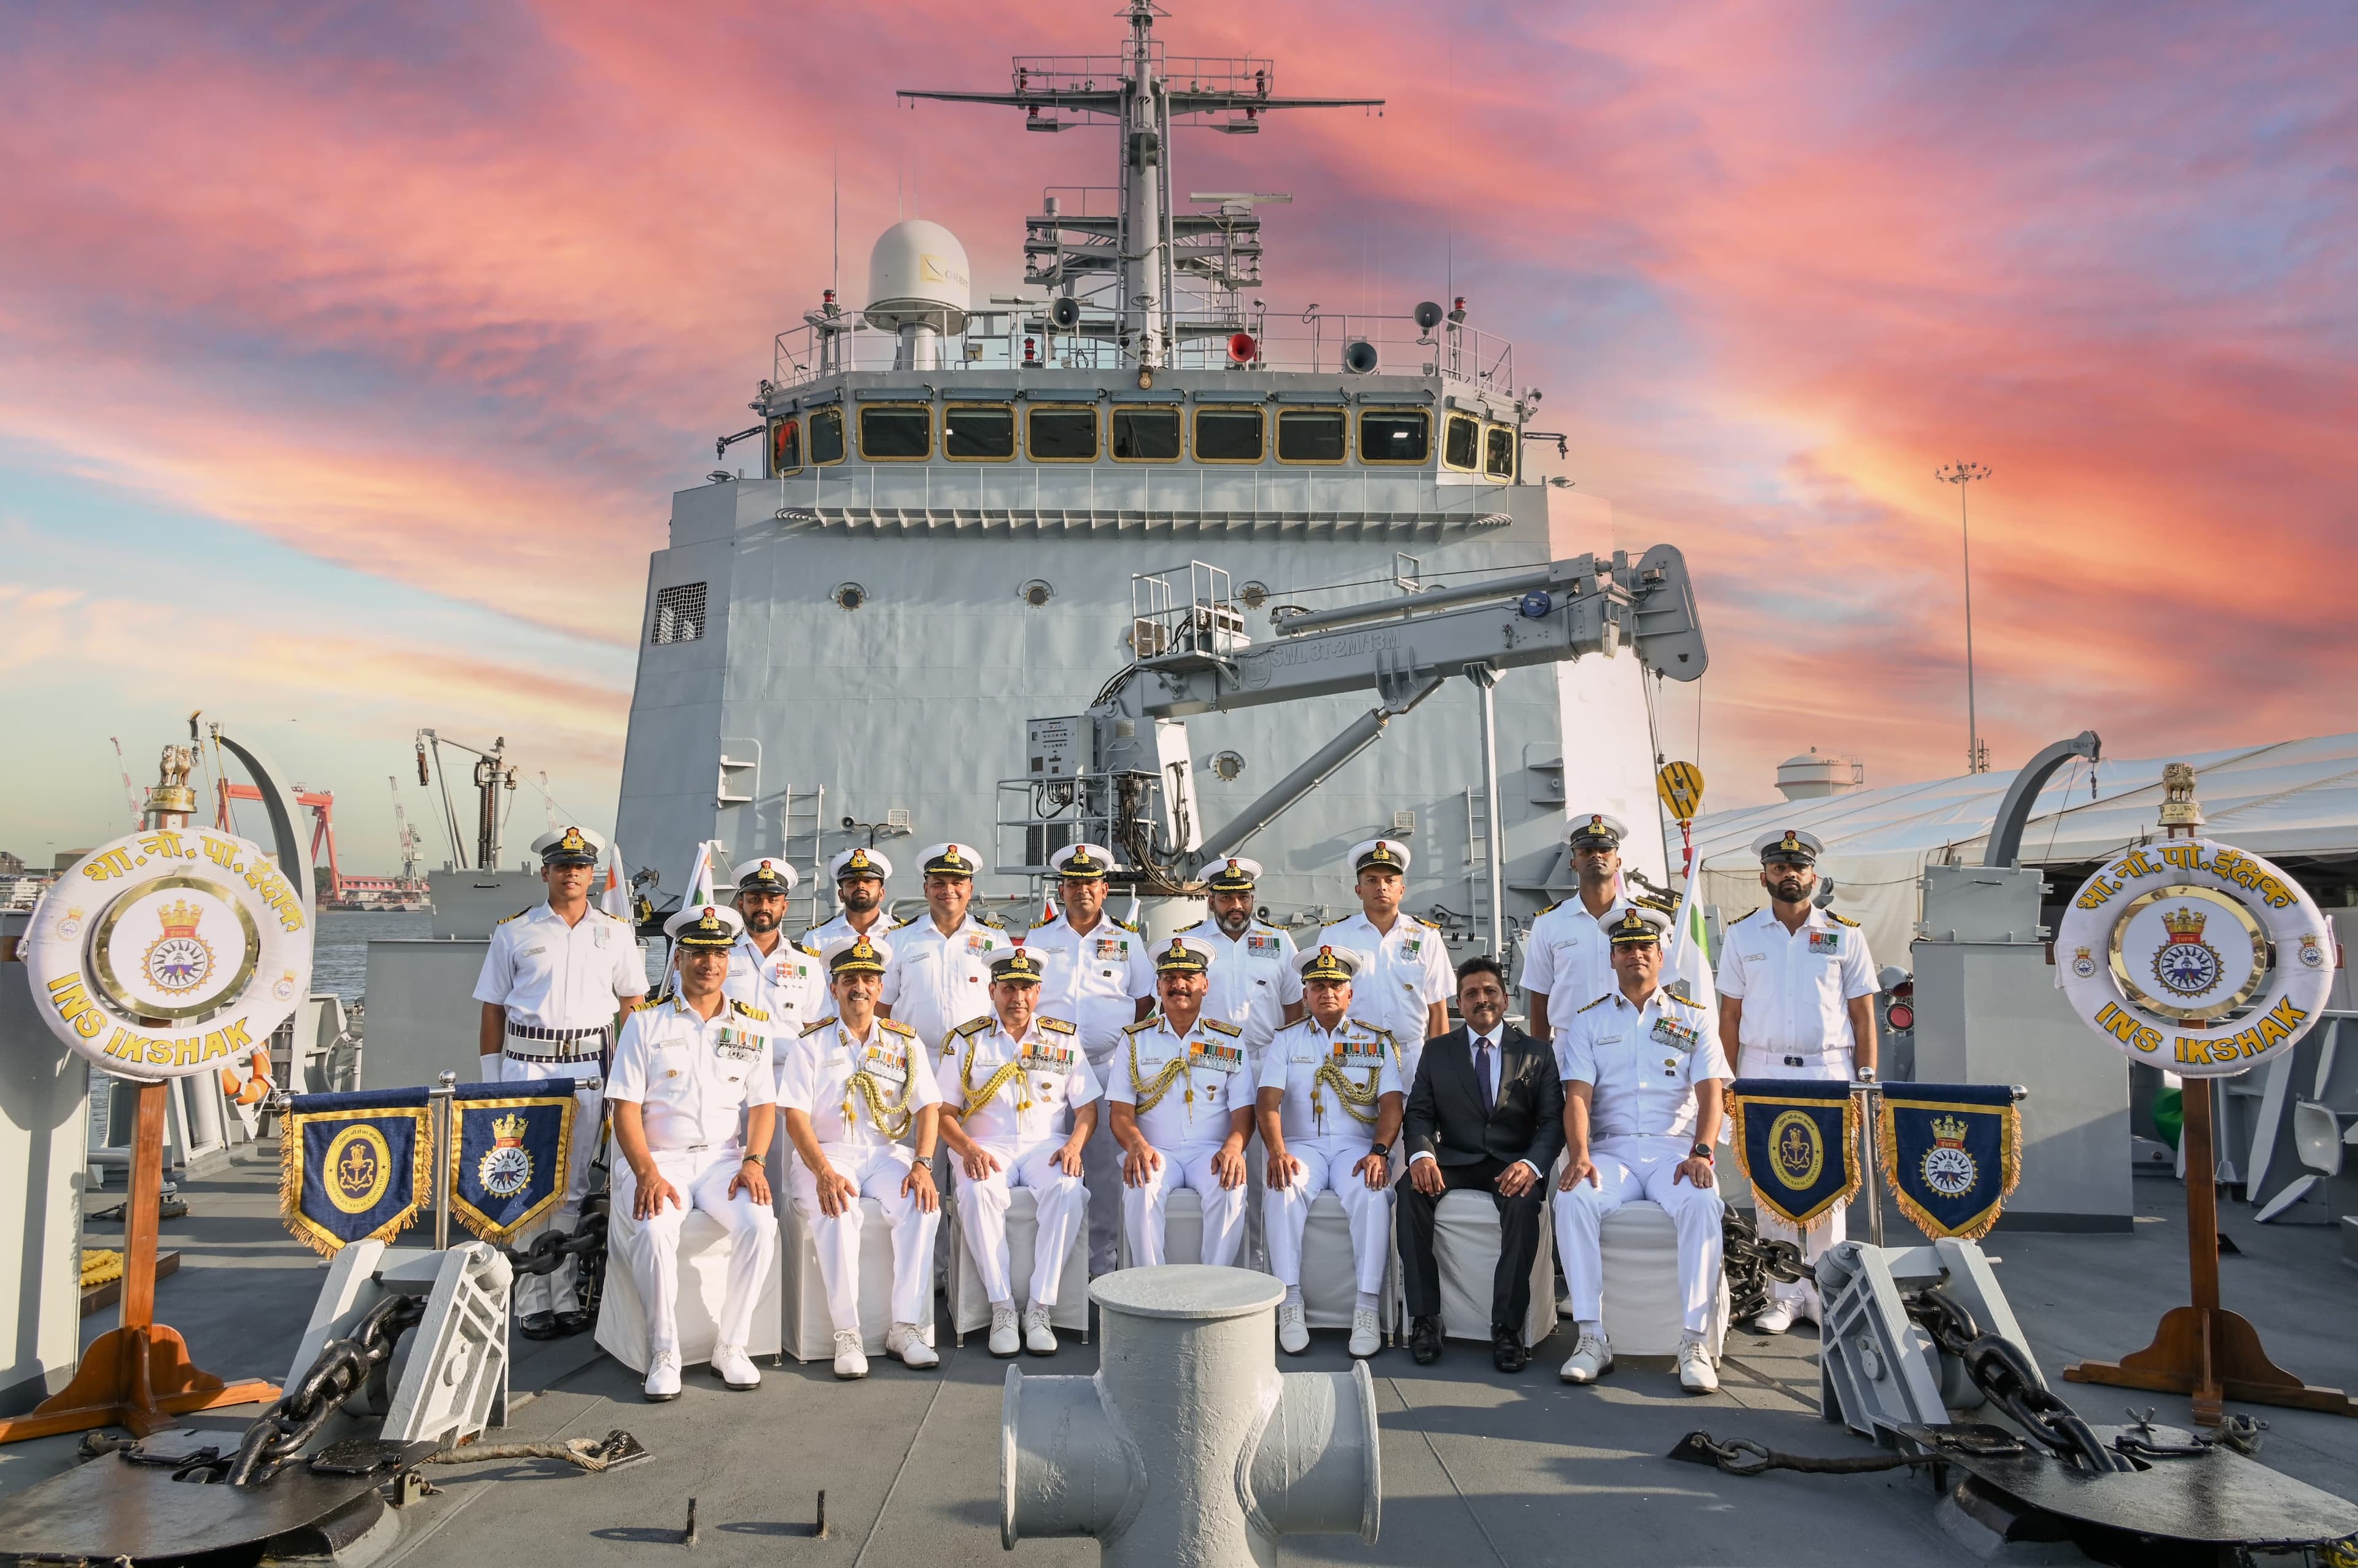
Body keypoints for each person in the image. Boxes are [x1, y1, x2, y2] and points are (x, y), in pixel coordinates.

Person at [472, 825, 647, 1339]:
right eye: (563, 866)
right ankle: (531, 1300)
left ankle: (564, 1294)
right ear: (545, 872)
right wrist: (491, 1082)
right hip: (526, 1069)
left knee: (571, 1188)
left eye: (581, 866)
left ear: (592, 875)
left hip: (589, 1068)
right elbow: (493, 1008)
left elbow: (632, 1006)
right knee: (526, 1183)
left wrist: (632, 1074)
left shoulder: (615, 932)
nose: (572, 873)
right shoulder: (514, 932)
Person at [605, 905, 780, 1402]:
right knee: (654, 1228)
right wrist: (646, 1173)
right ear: (679, 959)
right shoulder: (645, 1023)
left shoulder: (753, 1026)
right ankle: (665, 1351)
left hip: (724, 1161)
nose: (710, 963)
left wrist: (754, 1161)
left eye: (719, 954)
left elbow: (763, 1106)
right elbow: (624, 1108)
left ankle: (733, 1345)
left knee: (760, 1223)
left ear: (729, 960)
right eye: (699, 953)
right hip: (661, 1159)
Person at [1553, 907, 1731, 1394]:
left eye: (1645, 947)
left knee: (1702, 1202)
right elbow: (1577, 1096)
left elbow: (1712, 1093)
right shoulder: (1589, 1021)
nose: (1636, 955)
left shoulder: (1692, 1018)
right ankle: (1591, 1337)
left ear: (1660, 956)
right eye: (1626, 948)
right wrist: (1580, 1154)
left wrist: (1702, 1152)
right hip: (1611, 1152)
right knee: (1572, 1199)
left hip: (1675, 1151)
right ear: (1612, 958)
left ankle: (1693, 1341)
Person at [1715, 828, 1878, 1332]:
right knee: (1769, 1183)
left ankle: (1828, 1293)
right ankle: (1782, 1294)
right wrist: (1725, 1082)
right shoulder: (1742, 936)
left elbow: (1863, 1016)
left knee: (1831, 1183)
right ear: (1763, 876)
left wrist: (1866, 1079)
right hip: (1762, 1069)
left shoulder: (1845, 935)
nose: (1790, 874)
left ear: (1814, 875)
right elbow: (1729, 1016)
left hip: (1829, 1070)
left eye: (1798, 867)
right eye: (1779, 867)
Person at [778, 936, 943, 1378]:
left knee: (922, 1206)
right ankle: (847, 1333)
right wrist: (823, 1172)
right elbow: (796, 1119)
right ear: (834, 987)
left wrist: (923, 1165)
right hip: (826, 1155)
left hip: (885, 1153)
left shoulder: (904, 1042)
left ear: (880, 988)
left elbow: (928, 1107)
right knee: (837, 1210)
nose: (860, 988)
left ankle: (905, 1328)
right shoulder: (810, 1045)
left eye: (869, 979)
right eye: (850, 979)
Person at [1397, 955, 1565, 1372]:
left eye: (1490, 991)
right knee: (1409, 1192)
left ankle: (1507, 1327)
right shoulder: (1437, 1051)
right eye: (1471, 993)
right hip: (1455, 1159)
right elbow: (1419, 1113)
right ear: (1460, 1003)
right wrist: (1422, 1155)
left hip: (1512, 1162)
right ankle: (1425, 1319)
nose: (1482, 999)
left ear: (1505, 999)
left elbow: (1553, 1123)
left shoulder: (1538, 1052)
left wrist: (1532, 1165)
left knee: (1524, 1204)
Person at [936, 944, 1097, 1357]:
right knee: (977, 1192)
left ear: (1038, 991)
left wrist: (1075, 1145)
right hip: (985, 1145)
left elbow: (1086, 1109)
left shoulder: (1063, 1039)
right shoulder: (967, 1040)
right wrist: (968, 1150)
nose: (1018, 998)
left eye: (1026, 988)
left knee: (1068, 1190)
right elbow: (944, 1114)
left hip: (1047, 1145)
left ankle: (1040, 1307)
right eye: (1009, 988)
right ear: (993, 990)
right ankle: (1002, 1307)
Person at [1257, 945, 1401, 1359]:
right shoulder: (1286, 1040)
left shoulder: (1375, 1042)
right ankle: (1291, 1301)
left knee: (1372, 1192)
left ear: (1350, 994)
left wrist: (1379, 1152)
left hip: (1357, 1147)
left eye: (1336, 985)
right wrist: (1278, 1152)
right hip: (1303, 1146)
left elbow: (1392, 1104)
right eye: (1318, 986)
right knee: (1283, 1187)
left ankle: (1367, 1306)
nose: (1327, 993)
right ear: (1305, 995)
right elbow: (1267, 1102)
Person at [1020, 842, 1155, 1274]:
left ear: (1104, 889)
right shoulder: (1040, 940)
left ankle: (1100, 1261)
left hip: (1106, 1067)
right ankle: (1054, 1263)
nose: (1082, 890)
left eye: (1090, 883)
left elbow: (1144, 1000)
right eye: (1074, 883)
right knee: (1046, 1159)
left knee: (1102, 1168)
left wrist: (1113, 1038)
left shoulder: (1126, 940)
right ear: (1062, 889)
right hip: (1046, 1069)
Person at [1174, 855, 1306, 1269]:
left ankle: (1262, 1261)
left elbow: (1294, 1010)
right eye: (1227, 897)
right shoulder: (1191, 943)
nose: (1236, 905)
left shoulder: (1278, 943)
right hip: (1209, 1069)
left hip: (1267, 1064)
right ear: (1211, 899)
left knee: (1269, 1165)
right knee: (1222, 1163)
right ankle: (1223, 1264)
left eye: (1243, 897)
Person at [1107, 937, 1255, 1268]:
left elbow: (1244, 1111)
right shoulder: (1134, 1040)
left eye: (1189, 977)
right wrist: (1136, 1146)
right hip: (1156, 1150)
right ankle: (1151, 1284)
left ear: (1205, 984)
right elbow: (1120, 1112)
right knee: (1141, 1184)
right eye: (1170, 978)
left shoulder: (1229, 1041)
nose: (1179, 986)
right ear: (1158, 987)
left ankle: (1215, 1284)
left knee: (1230, 1186)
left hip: (1210, 1151)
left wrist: (1233, 1148)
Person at [1318, 839, 1453, 1084]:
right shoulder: (1334, 937)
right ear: (1358, 890)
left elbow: (1437, 1008)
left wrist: (1440, 1069)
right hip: (1352, 1053)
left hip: (1411, 1057)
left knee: (1414, 1111)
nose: (1381, 887)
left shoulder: (1426, 937)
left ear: (1402, 889)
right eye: (1372, 880)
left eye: (1390, 880)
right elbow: (1322, 1006)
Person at [1519, 813, 1643, 1041]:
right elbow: (1539, 995)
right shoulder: (1549, 923)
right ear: (1573, 864)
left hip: (1632, 1040)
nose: (1596, 855)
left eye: (1605, 850)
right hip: (1571, 1043)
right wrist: (1540, 1055)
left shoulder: (1643, 919)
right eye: (1586, 851)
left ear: (1618, 862)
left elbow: (1663, 988)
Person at [879, 841, 1012, 1052]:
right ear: (926, 889)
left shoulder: (996, 939)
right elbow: (881, 1005)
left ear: (970, 889)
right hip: (915, 1056)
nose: (948, 890)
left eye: (957, 883)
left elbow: (1011, 1000)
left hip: (978, 1056)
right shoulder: (899, 939)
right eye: (939, 883)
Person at [726, 857, 824, 1077]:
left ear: (784, 907)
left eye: (772, 900)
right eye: (754, 900)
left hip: (787, 1075)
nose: (763, 907)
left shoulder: (807, 963)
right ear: (741, 905)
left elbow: (815, 1028)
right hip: (731, 1072)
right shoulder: (723, 957)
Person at [803, 847, 897, 1020]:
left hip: (889, 1034)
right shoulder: (816, 938)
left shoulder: (902, 935)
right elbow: (810, 996)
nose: (860, 886)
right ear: (841, 894)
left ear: (882, 893)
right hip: (833, 1033)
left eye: (868, 881)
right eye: (852, 883)